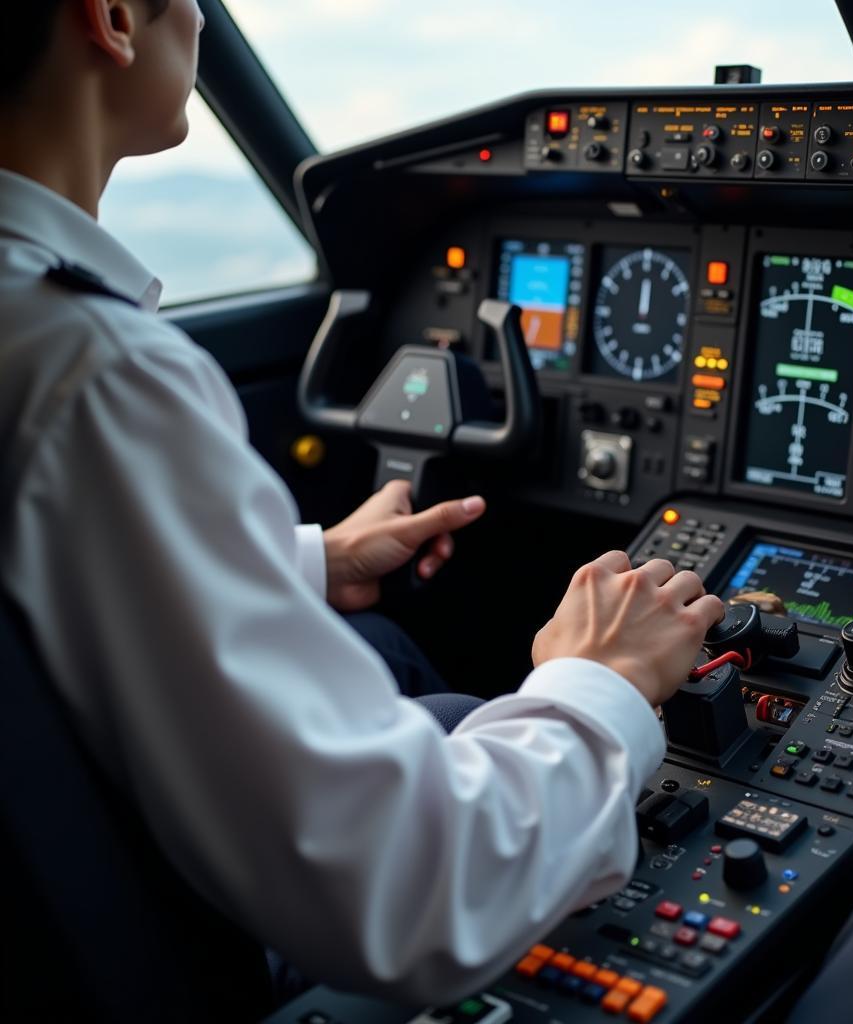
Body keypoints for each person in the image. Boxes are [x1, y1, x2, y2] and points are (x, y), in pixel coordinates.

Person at [0, 0, 724, 1008]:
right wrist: (601, 678)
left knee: (434, 696)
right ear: (115, 17)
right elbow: (421, 894)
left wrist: (302, 561)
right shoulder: (87, 369)